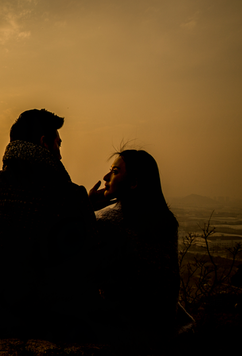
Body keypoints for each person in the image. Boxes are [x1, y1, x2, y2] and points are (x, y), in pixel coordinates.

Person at [0, 109, 99, 342]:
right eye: (58, 143)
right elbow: (84, 258)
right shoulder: (70, 194)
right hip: (49, 318)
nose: (60, 154)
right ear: (44, 143)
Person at [88, 149, 183, 348]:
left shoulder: (109, 224)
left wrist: (86, 209)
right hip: (161, 329)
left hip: (119, 333)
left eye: (114, 172)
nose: (105, 177)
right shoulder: (166, 222)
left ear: (133, 183)